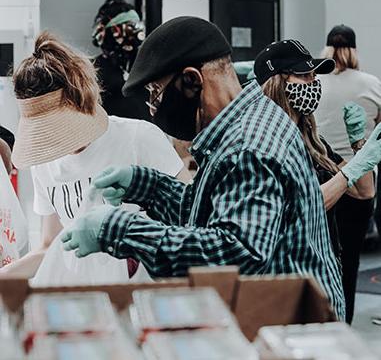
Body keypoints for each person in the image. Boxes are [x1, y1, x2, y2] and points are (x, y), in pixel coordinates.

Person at [61, 17, 345, 319]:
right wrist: (147, 186)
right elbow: (215, 212)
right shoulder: (246, 121)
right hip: (282, 311)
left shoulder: (248, 147)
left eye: (156, 92)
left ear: (191, 81)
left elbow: (232, 254)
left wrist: (120, 230)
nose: (153, 107)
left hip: (292, 327)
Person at [0, 31, 189, 279]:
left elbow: (189, 215)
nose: (58, 140)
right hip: (85, 296)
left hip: (144, 290)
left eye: (60, 126)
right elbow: (49, 246)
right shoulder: (45, 164)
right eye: (46, 131)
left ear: (83, 102)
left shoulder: (138, 139)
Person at [254, 39, 381, 324]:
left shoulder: (313, 139)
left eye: (314, 75)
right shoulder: (266, 142)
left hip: (323, 264)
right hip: (289, 274)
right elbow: (305, 204)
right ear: (277, 82)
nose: (313, 83)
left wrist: (359, 143)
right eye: (304, 75)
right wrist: (351, 170)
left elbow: (364, 191)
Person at [314, 25, 381, 322]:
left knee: (321, 254)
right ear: (354, 49)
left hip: (322, 174)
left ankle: (320, 318)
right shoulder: (371, 83)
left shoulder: (315, 81)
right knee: (350, 258)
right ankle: (345, 323)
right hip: (361, 174)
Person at [92, 0, 151, 121]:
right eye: (130, 26)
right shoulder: (93, 69)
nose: (136, 31)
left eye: (137, 25)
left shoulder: (147, 64)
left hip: (147, 134)